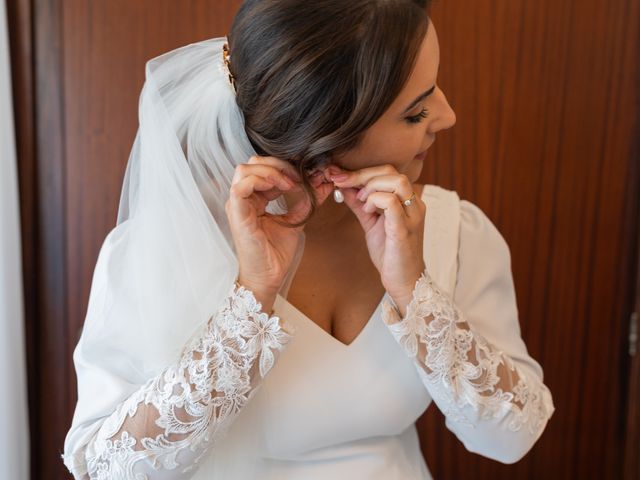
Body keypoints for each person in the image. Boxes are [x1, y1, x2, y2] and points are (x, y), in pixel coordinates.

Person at [62, 0, 556, 478]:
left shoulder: (454, 232)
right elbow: (107, 468)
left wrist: (416, 295)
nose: (447, 116)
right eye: (416, 112)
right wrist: (252, 298)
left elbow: (514, 438)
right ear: (325, 134)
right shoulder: (162, 248)